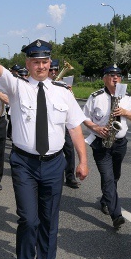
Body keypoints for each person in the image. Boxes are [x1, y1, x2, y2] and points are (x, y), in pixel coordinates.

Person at [0, 22, 89, 259]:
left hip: (55, 163)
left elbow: (75, 128)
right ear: (28, 63)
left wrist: (82, 160)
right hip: (25, 163)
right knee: (29, 220)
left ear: (50, 64)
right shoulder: (17, 87)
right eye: (36, 61)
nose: (41, 66)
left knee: (49, 221)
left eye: (45, 61)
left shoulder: (63, 93)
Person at [83, 64, 131, 229]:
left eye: (118, 75)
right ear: (104, 78)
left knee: (115, 176)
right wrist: (96, 128)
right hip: (101, 143)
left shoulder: (127, 97)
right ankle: (116, 215)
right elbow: (84, 118)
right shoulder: (96, 97)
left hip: (120, 143)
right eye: (111, 75)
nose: (115, 78)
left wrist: (125, 112)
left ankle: (105, 199)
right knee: (107, 177)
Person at [48, 60, 80, 189]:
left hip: (63, 123)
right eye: (51, 70)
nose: (54, 72)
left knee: (69, 150)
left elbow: (72, 105)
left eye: (56, 70)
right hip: (49, 123)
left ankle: (70, 177)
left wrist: (70, 92)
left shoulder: (63, 86)